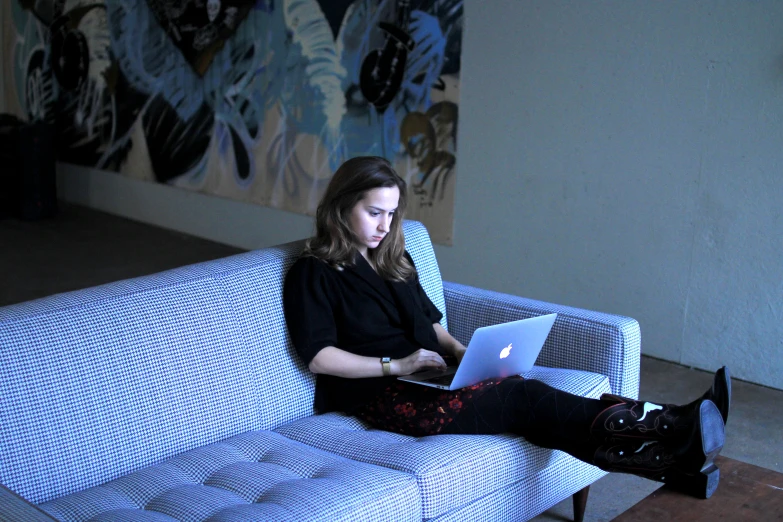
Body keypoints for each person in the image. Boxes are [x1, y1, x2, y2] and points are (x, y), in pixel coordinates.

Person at [283, 156, 730, 499]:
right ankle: (672, 426)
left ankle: (671, 455)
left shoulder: (394, 258)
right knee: (523, 397)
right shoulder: (314, 270)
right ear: (342, 206)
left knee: (525, 399)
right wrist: (396, 363)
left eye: (392, 214)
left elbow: (431, 325)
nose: (385, 225)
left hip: (427, 377)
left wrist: (462, 351)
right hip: (380, 393)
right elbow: (320, 357)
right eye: (374, 212)